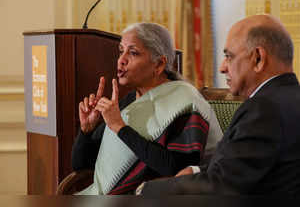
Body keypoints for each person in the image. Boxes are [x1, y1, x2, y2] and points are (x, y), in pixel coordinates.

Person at [140, 14, 300, 196]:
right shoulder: (288, 98)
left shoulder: (264, 109)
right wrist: (197, 171)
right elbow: (246, 164)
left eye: (229, 56)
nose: (222, 67)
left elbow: (221, 187)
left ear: (258, 58)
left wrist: (147, 190)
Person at [71, 22, 223, 195]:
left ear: (158, 65)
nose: (122, 60)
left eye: (133, 53)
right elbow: (81, 165)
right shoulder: (129, 101)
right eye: (121, 51)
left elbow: (178, 171)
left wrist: (121, 128)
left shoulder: (186, 101)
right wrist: (86, 131)